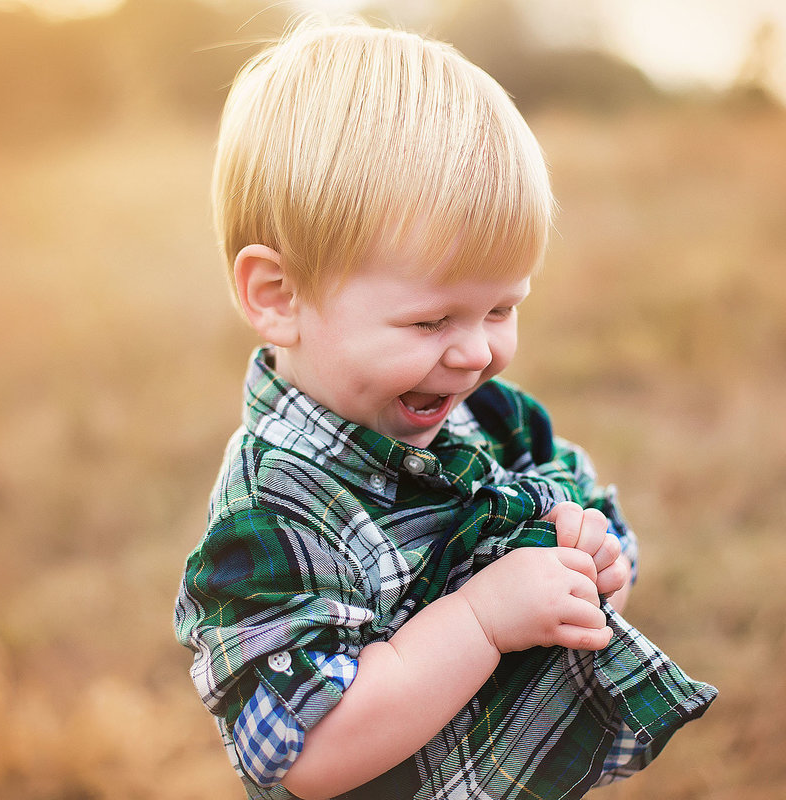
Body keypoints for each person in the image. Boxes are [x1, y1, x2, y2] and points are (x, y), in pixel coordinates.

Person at [174, 17, 716, 800]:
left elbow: (597, 562)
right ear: (279, 296)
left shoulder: (493, 421)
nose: (474, 354)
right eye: (431, 321)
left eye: (501, 310)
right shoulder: (271, 511)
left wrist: (595, 567)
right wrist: (483, 620)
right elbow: (307, 752)